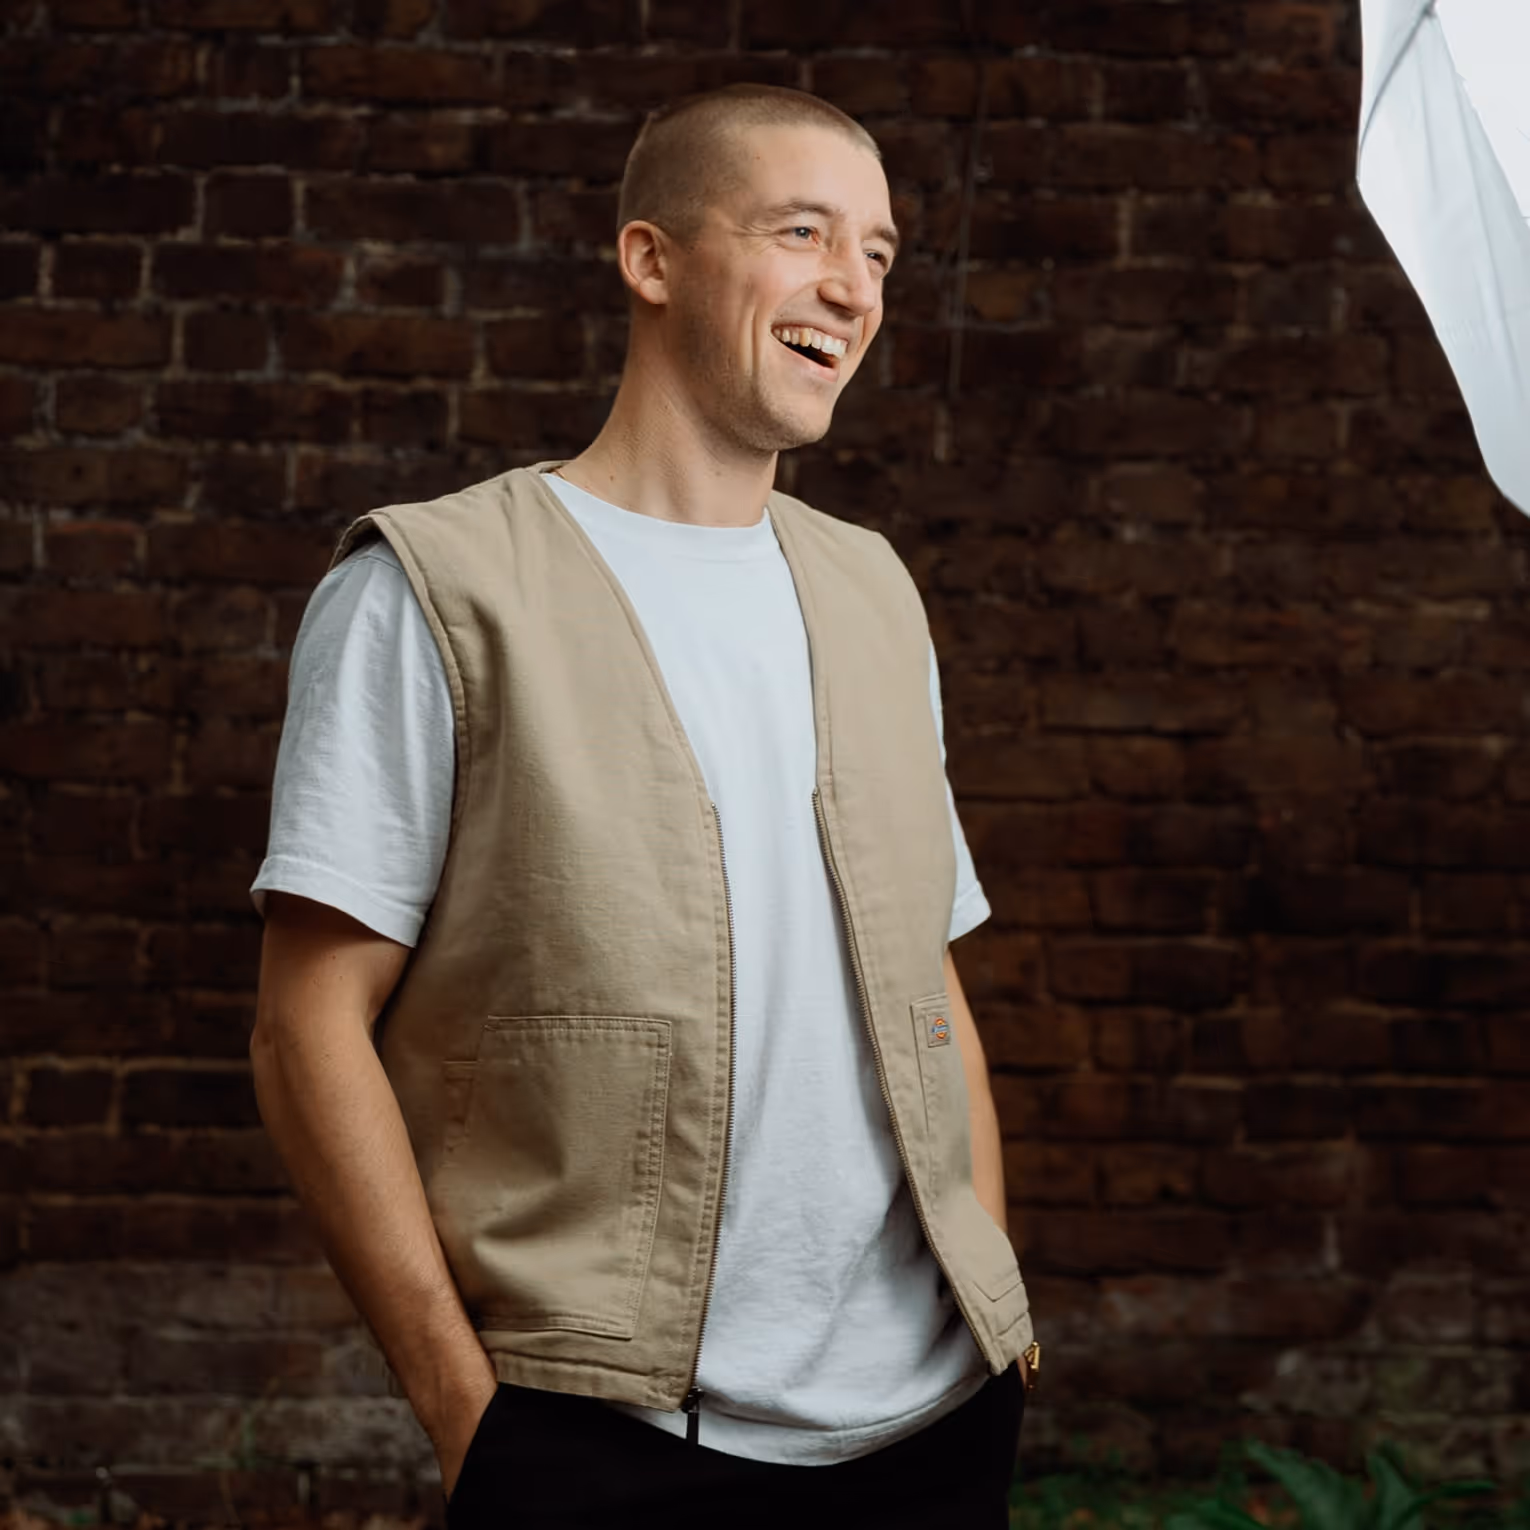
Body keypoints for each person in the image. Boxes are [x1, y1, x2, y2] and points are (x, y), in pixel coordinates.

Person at [249, 83, 1036, 1530]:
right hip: (603, 1437)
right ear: (650, 258)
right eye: (801, 232)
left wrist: (993, 1305)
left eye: (877, 251)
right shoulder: (435, 590)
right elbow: (306, 1027)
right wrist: (469, 1420)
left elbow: (924, 974)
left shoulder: (872, 587)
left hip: (935, 1421)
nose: (852, 286)